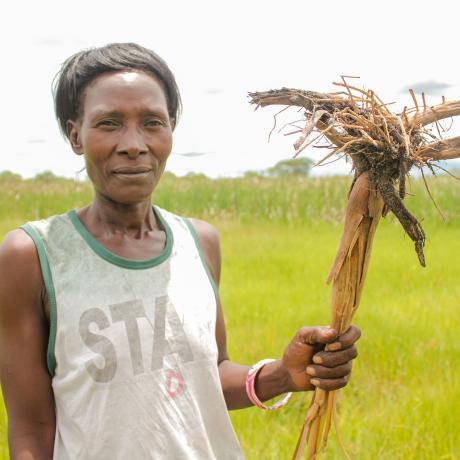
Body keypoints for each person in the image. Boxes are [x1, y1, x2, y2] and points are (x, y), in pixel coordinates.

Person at [0, 43, 360, 460]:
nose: (133, 144)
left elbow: (208, 376)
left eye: (152, 122)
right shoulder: (32, 256)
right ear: (75, 134)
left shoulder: (199, 242)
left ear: (170, 130)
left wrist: (281, 375)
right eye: (109, 123)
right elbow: (31, 430)